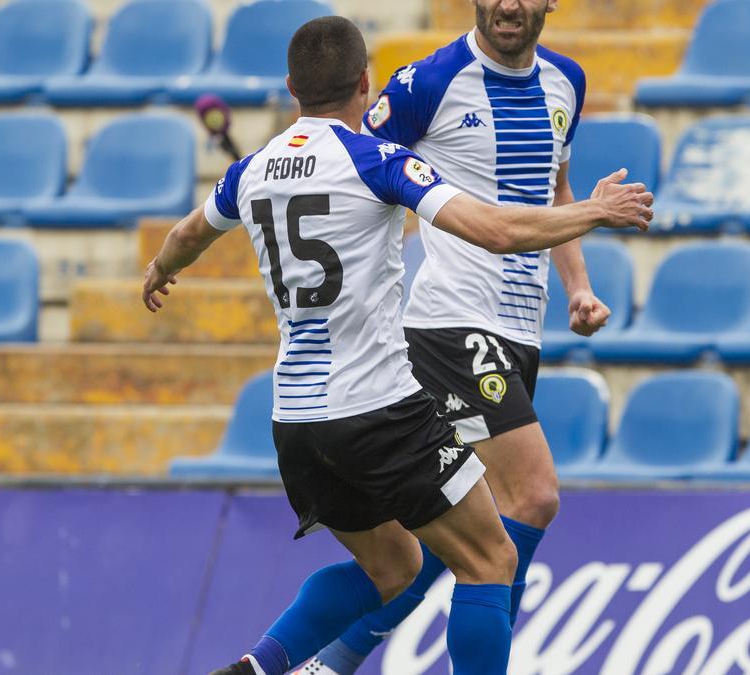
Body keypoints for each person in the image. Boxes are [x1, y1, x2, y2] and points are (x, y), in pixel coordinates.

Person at [139, 16, 652, 675]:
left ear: (291, 87)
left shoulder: (252, 169)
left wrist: (157, 269)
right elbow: (492, 229)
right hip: (379, 404)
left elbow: (186, 234)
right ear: (364, 83)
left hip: (295, 420)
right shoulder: (379, 161)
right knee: (492, 554)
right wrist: (596, 210)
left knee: (396, 563)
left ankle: (260, 664)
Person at [303, 2, 607, 671]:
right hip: (450, 324)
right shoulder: (427, 83)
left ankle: (332, 659)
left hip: (518, 329)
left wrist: (579, 287)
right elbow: (348, 159)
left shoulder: (567, 82)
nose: (507, 4)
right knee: (533, 494)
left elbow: (552, 191)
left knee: (459, 540)